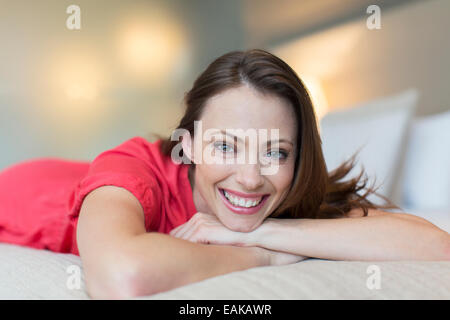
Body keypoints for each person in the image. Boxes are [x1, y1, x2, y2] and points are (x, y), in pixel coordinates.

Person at [0, 49, 448, 300]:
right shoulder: (132, 170)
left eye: (274, 151)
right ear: (188, 145)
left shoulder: (290, 195)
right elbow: (122, 278)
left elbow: (436, 247)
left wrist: (271, 232)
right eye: (224, 146)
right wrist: (261, 255)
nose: (250, 179)